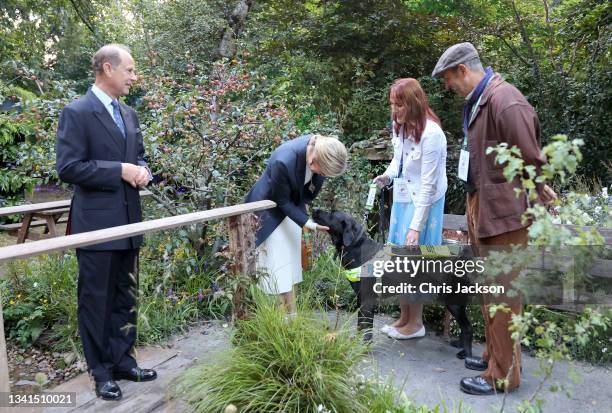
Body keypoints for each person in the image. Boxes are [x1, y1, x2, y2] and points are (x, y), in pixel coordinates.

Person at [432, 42, 556, 395]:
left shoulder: (506, 101)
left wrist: (536, 201)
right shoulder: (480, 101)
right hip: (484, 205)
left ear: (463, 70)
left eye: (447, 79)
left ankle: (503, 375)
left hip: (506, 214)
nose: (447, 86)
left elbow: (532, 160)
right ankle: (494, 357)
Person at [56, 44, 156, 401]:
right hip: (96, 226)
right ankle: (100, 372)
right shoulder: (77, 112)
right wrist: (120, 171)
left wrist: (144, 171)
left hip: (130, 221)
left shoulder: (129, 113)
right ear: (108, 69)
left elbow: (139, 156)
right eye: (129, 70)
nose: (134, 77)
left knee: (125, 297)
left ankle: (123, 360)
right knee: (95, 301)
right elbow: (68, 168)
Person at [373, 78, 448, 340]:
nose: (394, 110)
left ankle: (416, 324)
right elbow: (398, 160)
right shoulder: (401, 128)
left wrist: (416, 227)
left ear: (413, 104)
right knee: (401, 259)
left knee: (416, 260)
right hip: (405, 197)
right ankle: (403, 318)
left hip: (425, 204)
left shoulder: (433, 135)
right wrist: (387, 176)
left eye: (399, 105)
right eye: (392, 104)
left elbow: (428, 185)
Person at [245, 134, 348, 314]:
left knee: (290, 268)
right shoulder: (283, 160)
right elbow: (281, 201)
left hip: (292, 211)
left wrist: (304, 218)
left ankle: (292, 317)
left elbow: (307, 193)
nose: (322, 176)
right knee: (276, 269)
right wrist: (309, 223)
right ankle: (278, 323)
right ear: (316, 158)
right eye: (323, 172)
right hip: (267, 213)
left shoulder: (321, 155)